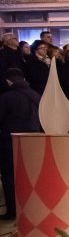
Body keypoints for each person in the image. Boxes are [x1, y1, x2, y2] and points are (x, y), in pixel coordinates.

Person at [0, 68, 42, 219]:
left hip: (10, 143)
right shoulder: (36, 95)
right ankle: (32, 209)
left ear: (8, 81)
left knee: (10, 176)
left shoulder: (6, 97)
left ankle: (13, 211)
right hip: (33, 142)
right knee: (31, 176)